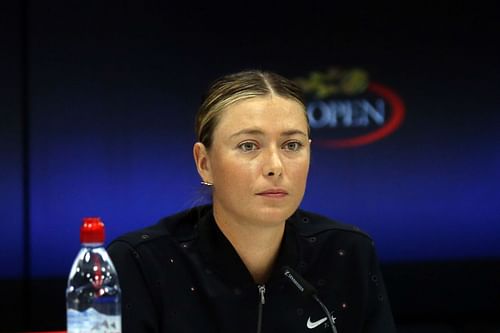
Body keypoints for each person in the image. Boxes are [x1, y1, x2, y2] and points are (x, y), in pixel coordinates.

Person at [107, 70, 397, 333]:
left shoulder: (347, 252)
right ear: (204, 162)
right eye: (248, 146)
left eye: (291, 145)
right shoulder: (141, 264)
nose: (275, 166)